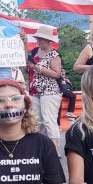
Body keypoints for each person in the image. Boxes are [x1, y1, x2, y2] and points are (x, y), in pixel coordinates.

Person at [25, 25, 62, 153]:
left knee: (49, 119)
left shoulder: (54, 54)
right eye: (38, 39)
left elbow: (56, 74)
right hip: (34, 90)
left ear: (48, 40)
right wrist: (28, 65)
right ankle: (40, 147)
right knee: (36, 120)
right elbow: (27, 69)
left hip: (50, 90)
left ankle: (54, 149)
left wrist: (36, 67)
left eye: (41, 39)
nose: (39, 41)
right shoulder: (34, 51)